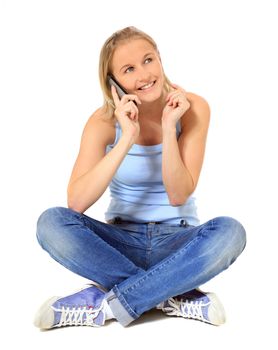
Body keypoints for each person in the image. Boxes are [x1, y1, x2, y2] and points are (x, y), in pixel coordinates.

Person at [34, 26, 246, 329]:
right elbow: (76, 202)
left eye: (148, 60)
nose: (144, 75)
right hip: (120, 242)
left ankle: (107, 305)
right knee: (50, 223)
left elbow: (178, 194)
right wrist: (126, 138)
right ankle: (171, 293)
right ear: (114, 83)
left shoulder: (192, 108)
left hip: (179, 241)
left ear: (160, 59)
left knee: (231, 232)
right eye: (129, 69)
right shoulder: (103, 122)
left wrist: (169, 125)